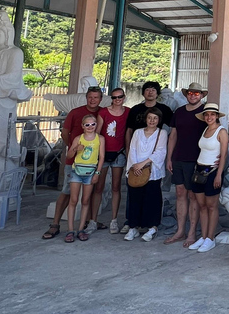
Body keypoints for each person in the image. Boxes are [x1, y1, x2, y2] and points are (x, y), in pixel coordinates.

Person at [0, 10, 32, 193]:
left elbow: (12, 77)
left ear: (8, 34)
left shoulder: (15, 53)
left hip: (1, 102)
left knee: (0, 132)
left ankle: (3, 168)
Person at [42, 86, 103, 240]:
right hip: (75, 161)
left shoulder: (102, 113)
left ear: (100, 99)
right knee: (67, 191)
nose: (93, 100)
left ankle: (88, 222)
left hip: (93, 162)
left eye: (96, 97)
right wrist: (74, 149)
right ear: (86, 97)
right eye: (90, 97)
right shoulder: (75, 112)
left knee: (90, 194)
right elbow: (64, 132)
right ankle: (55, 223)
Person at [121, 81, 173, 234]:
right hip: (136, 154)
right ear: (143, 93)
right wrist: (131, 157)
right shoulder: (136, 109)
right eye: (147, 90)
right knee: (134, 191)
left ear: (157, 93)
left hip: (152, 158)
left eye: (153, 90)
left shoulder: (165, 110)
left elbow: (174, 130)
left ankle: (152, 224)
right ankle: (131, 222)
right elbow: (129, 131)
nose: (150, 92)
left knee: (152, 195)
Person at [164, 82, 207, 247]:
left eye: (197, 93)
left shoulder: (205, 113)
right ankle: (180, 230)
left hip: (196, 159)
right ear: (186, 94)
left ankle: (191, 232)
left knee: (193, 195)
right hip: (178, 158)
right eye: (190, 92)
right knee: (180, 193)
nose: (193, 95)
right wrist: (169, 157)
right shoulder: (179, 112)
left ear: (202, 95)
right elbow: (173, 135)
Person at [188, 103, 229, 253]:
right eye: (207, 114)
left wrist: (219, 174)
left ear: (217, 116)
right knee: (202, 206)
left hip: (212, 171)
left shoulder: (221, 131)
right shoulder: (205, 129)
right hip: (199, 170)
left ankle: (210, 238)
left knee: (212, 206)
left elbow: (223, 154)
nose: (209, 117)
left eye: (212, 114)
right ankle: (204, 236)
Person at [124, 107, 168, 242]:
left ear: (159, 120)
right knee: (134, 198)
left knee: (152, 199)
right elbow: (132, 149)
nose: (152, 121)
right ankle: (133, 227)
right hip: (135, 169)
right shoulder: (137, 133)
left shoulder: (162, 133)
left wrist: (143, 164)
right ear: (145, 118)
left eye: (155, 118)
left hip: (152, 170)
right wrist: (135, 166)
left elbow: (160, 152)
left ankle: (152, 227)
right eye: (149, 118)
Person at [91, 88, 129, 234]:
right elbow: (98, 133)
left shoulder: (128, 112)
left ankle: (113, 220)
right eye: (114, 97)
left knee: (116, 187)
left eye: (119, 97)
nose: (117, 99)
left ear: (124, 98)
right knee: (98, 187)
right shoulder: (103, 112)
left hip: (119, 153)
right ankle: (93, 221)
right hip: (104, 153)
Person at [64, 114, 105, 242]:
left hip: (90, 172)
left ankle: (81, 229)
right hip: (76, 171)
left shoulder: (100, 139)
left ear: (96, 125)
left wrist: (97, 173)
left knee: (85, 200)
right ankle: (70, 230)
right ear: (82, 126)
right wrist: (76, 148)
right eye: (87, 124)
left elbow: (101, 157)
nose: (90, 127)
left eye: (93, 124)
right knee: (73, 200)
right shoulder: (78, 138)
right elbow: (69, 154)